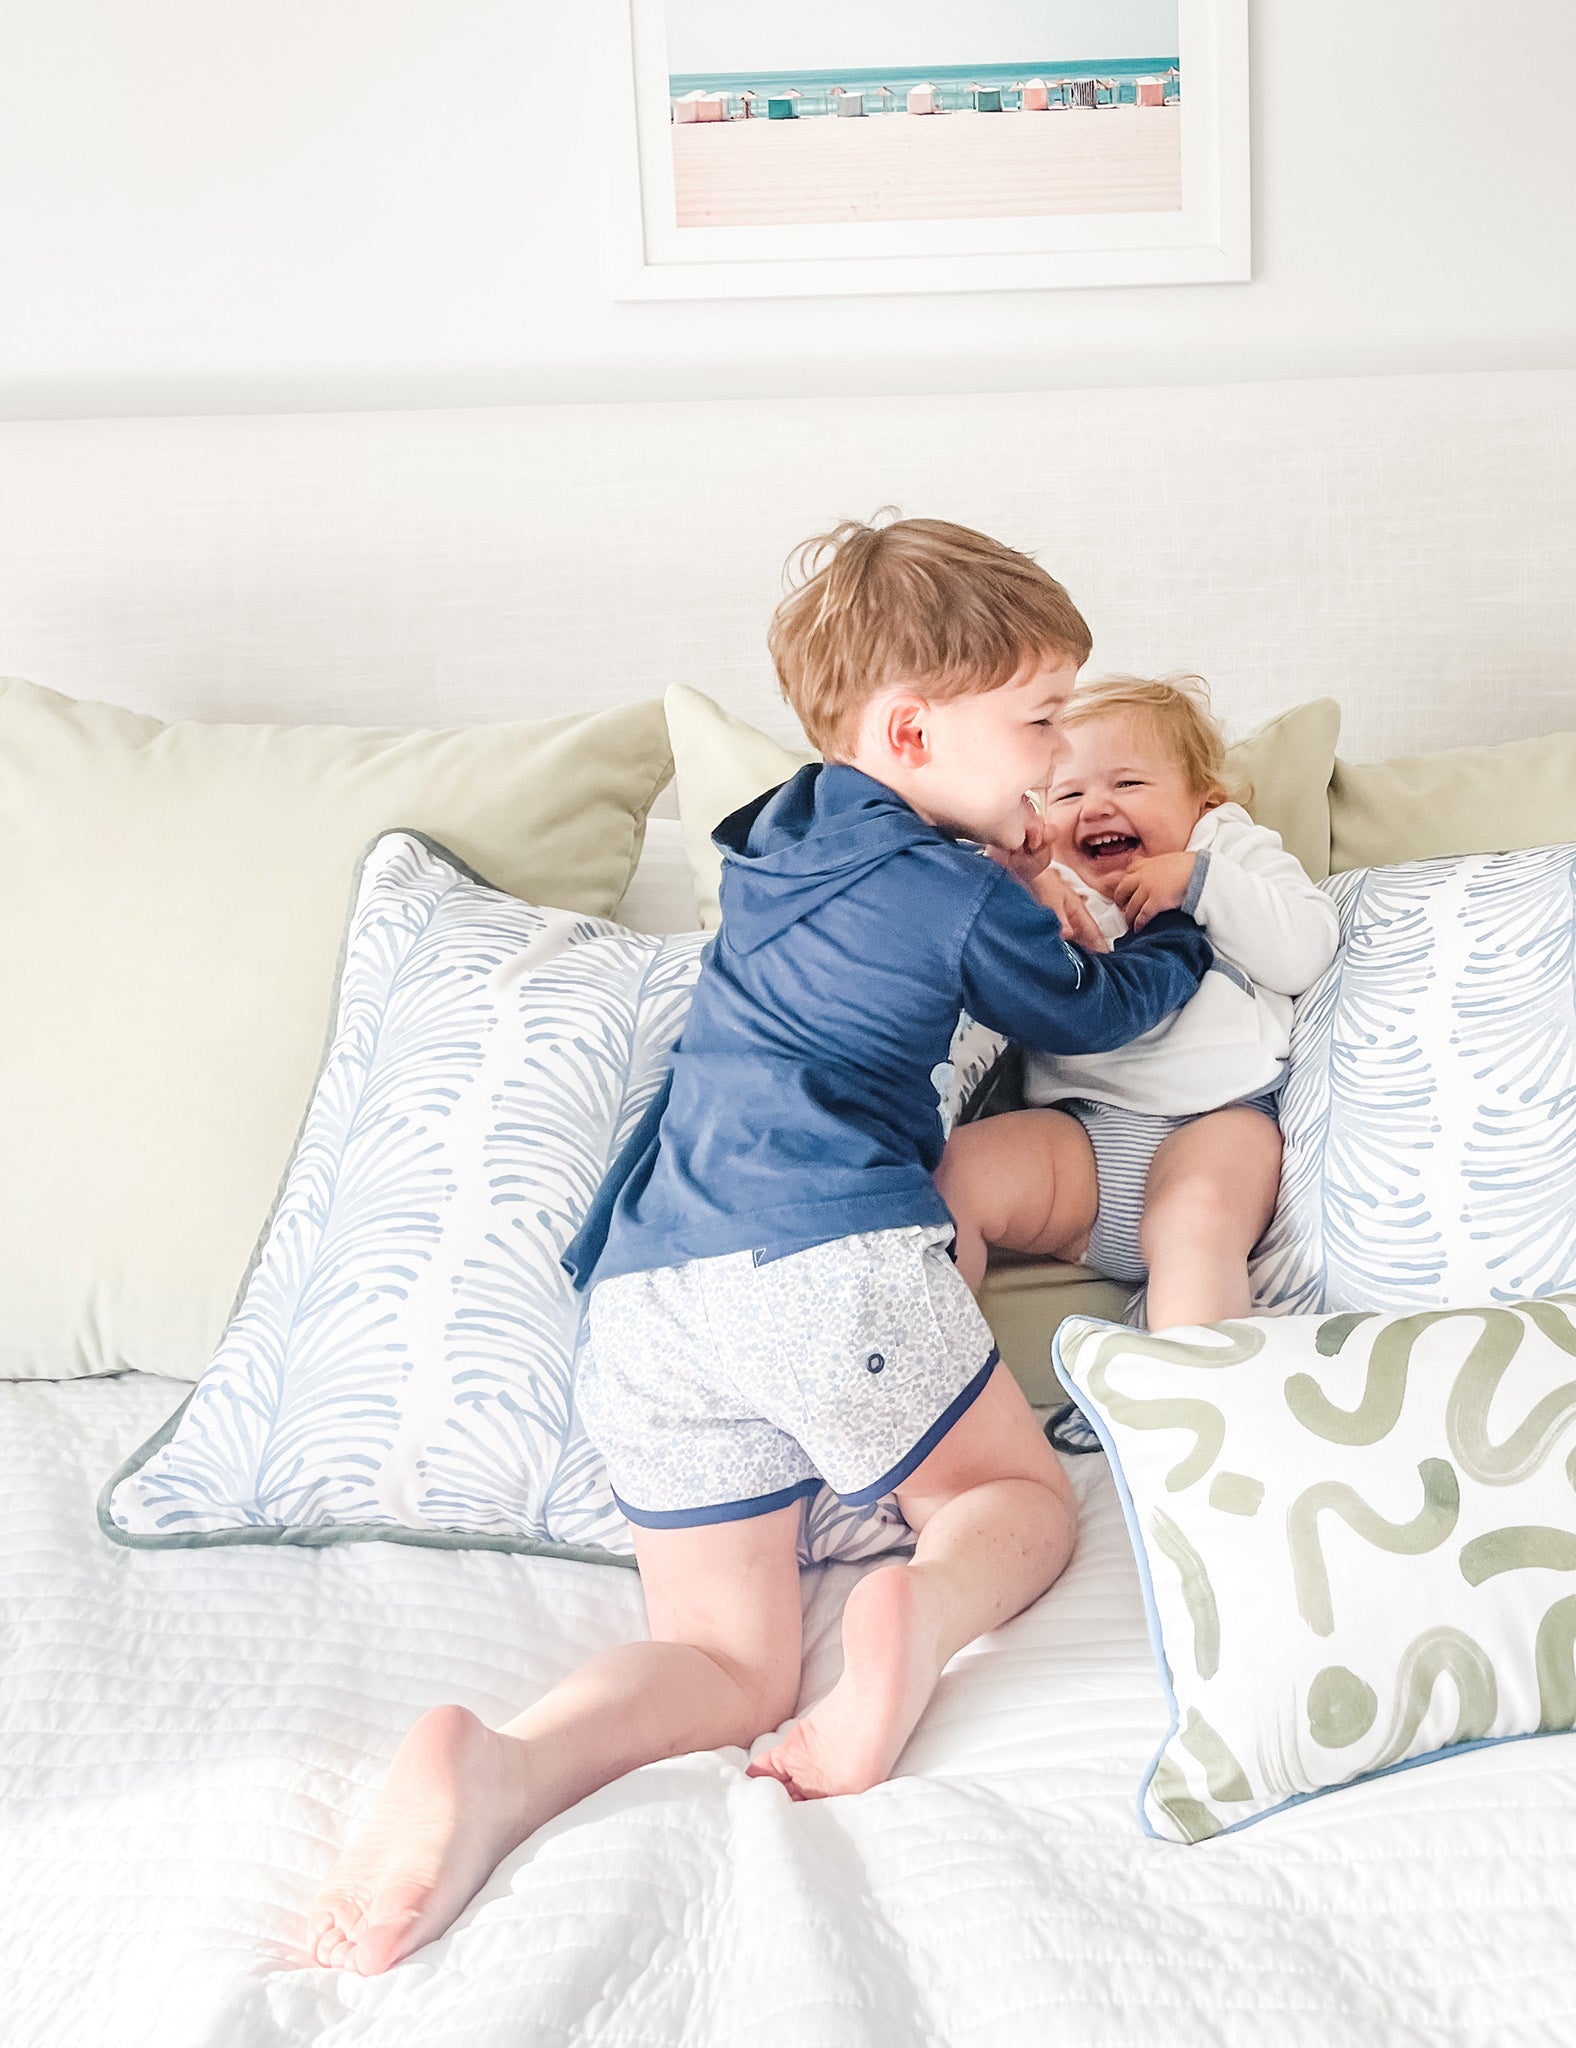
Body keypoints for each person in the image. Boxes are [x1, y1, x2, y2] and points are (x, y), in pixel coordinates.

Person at [305, 518, 1212, 1976]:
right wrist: (1175, 928)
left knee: (728, 1662)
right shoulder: (960, 892)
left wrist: (998, 829)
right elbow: (1095, 1013)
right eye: (1038, 721)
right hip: (821, 1257)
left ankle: (514, 1766)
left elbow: (890, 901)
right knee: (1012, 1502)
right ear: (917, 727)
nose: (1055, 762)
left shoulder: (782, 835)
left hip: (651, 1288)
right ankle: (915, 1625)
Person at [938, 674, 1339, 1333]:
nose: (1096, 807)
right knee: (952, 1178)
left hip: (1216, 1117)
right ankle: (937, 1390)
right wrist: (1014, 884)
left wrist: (1198, 881)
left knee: (1195, 1222)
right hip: (1079, 1135)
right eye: (1068, 793)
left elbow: (1305, 951)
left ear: (1203, 801)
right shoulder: (1048, 882)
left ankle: (1198, 1405)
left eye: (1127, 784)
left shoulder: (1223, 849)